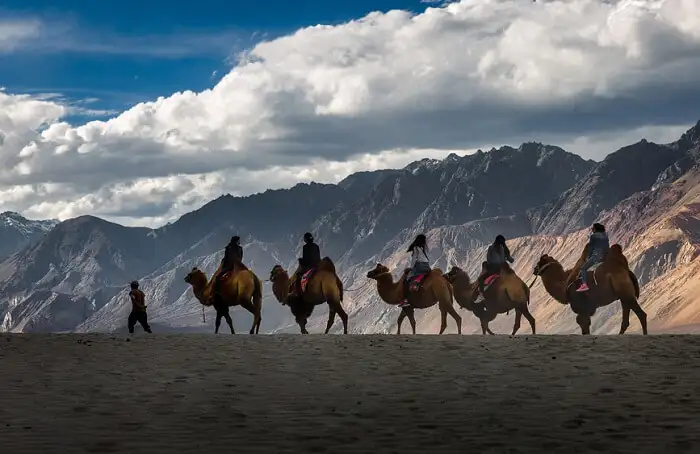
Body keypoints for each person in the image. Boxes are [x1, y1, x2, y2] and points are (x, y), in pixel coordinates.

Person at [474, 235, 514, 305]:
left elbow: (488, 259)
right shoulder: (504, 248)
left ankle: (481, 295)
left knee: (481, 278)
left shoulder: (491, 248)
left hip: (494, 268)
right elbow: (510, 260)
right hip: (503, 268)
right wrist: (508, 259)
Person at [576, 223, 610, 292]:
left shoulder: (593, 236)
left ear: (596, 229)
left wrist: (589, 257)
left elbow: (591, 248)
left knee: (583, 269)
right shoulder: (605, 236)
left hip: (596, 256)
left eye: (593, 228)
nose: (592, 229)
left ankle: (584, 285)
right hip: (605, 256)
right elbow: (607, 246)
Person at [400, 234, 431, 308]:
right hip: (427, 267)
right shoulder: (423, 248)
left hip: (420, 267)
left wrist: (411, 268)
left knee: (407, 280)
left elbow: (414, 259)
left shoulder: (416, 248)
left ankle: (406, 299)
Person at [213, 236, 244, 304]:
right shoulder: (239, 248)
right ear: (236, 241)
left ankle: (217, 294)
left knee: (218, 278)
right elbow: (240, 258)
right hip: (236, 266)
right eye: (239, 241)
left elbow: (226, 258)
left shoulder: (228, 248)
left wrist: (223, 264)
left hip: (229, 266)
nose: (239, 242)